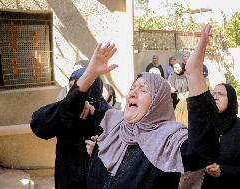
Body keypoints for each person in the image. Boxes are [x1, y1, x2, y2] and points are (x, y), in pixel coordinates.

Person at [55, 25, 219, 189]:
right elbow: (50, 120)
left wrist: (194, 73)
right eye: (132, 88)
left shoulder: (169, 140)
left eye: (143, 90)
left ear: (158, 102)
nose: (133, 93)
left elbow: (202, 151)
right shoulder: (113, 126)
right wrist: (86, 80)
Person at [30, 68, 111, 189]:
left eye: (84, 88)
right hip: (68, 174)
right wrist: (71, 104)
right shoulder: (65, 111)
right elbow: (38, 125)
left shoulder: (107, 113)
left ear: (94, 87)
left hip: (96, 177)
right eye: (74, 88)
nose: (78, 92)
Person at [201, 83, 240, 189]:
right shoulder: (203, 125)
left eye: (221, 94)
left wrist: (222, 170)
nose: (215, 97)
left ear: (230, 100)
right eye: (214, 93)